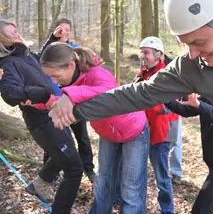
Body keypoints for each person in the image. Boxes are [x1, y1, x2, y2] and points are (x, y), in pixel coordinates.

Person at [49, 0, 213, 214]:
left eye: (199, 42)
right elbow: (137, 94)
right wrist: (76, 108)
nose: (192, 53)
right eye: (186, 44)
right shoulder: (191, 67)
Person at [38, 42, 150, 214]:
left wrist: (69, 96)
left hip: (134, 130)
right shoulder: (69, 83)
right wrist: (38, 101)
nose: (54, 81)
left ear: (71, 65)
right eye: (50, 77)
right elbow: (61, 102)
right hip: (108, 134)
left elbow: (108, 92)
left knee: (131, 187)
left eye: (56, 75)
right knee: (103, 182)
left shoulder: (97, 73)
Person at [0, 20, 83, 214]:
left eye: (17, 30)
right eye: (13, 33)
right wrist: (41, 95)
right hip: (41, 121)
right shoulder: (7, 63)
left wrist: (53, 39)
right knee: (74, 168)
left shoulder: (24, 54)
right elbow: (10, 93)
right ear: (3, 40)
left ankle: (38, 183)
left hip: (53, 113)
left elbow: (40, 59)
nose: (18, 34)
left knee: (66, 152)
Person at [41, 18, 95, 182]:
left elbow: (88, 68)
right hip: (55, 102)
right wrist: (52, 37)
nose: (64, 32)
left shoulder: (74, 50)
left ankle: (89, 170)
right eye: (61, 29)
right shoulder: (50, 50)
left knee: (83, 139)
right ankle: (49, 176)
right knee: (55, 140)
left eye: (67, 29)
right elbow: (38, 58)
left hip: (75, 101)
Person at [165, 93, 213, 214]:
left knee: (200, 210)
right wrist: (162, 95)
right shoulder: (211, 93)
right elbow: (186, 109)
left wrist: (200, 105)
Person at [135, 36, 179, 214]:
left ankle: (167, 211)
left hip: (161, 132)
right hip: (143, 130)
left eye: (146, 53)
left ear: (158, 54)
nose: (142, 56)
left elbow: (165, 105)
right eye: (142, 53)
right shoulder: (143, 73)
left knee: (161, 177)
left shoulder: (167, 74)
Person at [162, 54, 183, 185]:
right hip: (156, 110)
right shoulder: (147, 67)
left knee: (175, 142)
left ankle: (176, 173)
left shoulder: (174, 65)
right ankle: (163, 170)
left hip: (174, 109)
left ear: (160, 54)